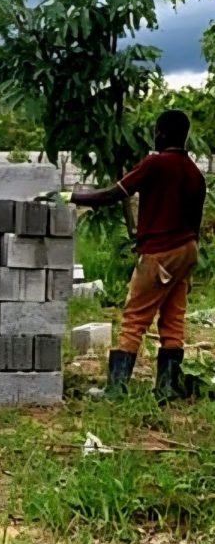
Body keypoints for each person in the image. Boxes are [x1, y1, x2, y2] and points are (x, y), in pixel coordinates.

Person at [71, 109, 207, 400]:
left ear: (164, 133)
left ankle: (116, 389)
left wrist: (74, 197)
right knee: (173, 319)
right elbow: (195, 223)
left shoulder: (155, 164)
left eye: (157, 131)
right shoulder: (195, 173)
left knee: (135, 317)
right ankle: (167, 388)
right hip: (187, 251)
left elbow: (115, 193)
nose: (154, 136)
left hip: (159, 252)